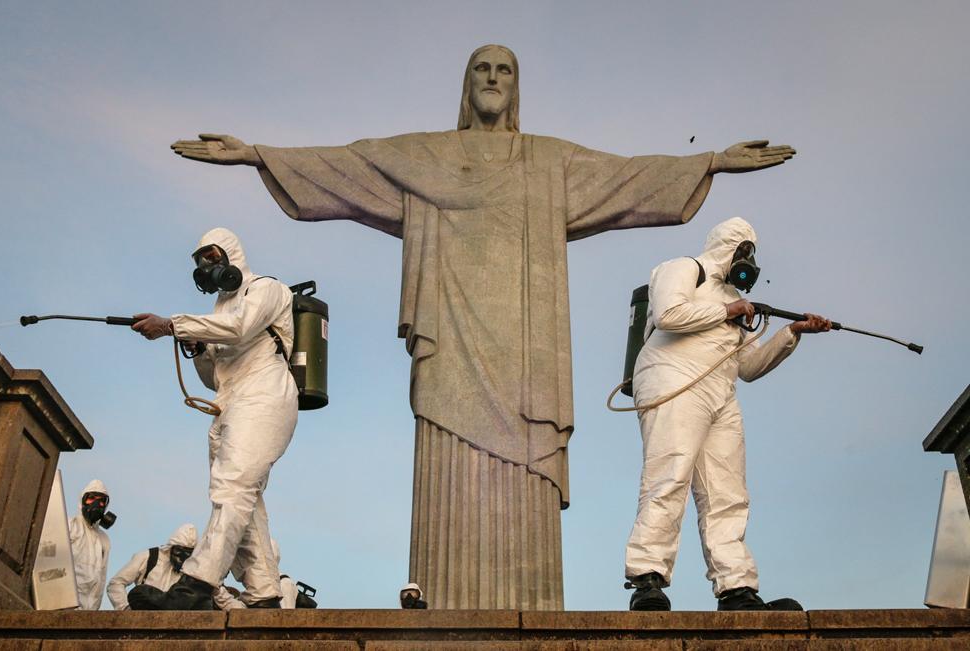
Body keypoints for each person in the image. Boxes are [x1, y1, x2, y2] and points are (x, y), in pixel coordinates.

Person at [170, 44, 796, 609]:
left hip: (528, 342)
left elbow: (628, 175)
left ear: (515, 87)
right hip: (449, 335)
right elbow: (350, 165)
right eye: (481, 70)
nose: (492, 79)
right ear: (466, 85)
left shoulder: (548, 162)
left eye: (504, 71)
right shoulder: (427, 156)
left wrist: (711, 163)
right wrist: (256, 154)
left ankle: (720, 582)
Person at [624, 217, 831, 611]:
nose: (748, 259)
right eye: (744, 249)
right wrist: (726, 309)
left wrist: (792, 334)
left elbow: (749, 367)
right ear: (728, 246)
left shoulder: (735, 300)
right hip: (673, 380)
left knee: (727, 492)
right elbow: (668, 314)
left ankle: (736, 587)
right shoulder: (684, 269)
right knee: (669, 475)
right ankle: (646, 577)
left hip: (721, 392)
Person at [132, 227, 298, 610]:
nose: (206, 265)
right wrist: (199, 347)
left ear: (231, 254)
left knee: (233, 487)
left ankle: (195, 585)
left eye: (211, 256)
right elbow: (211, 379)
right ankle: (264, 593)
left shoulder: (267, 289)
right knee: (244, 499)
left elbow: (241, 327)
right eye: (200, 261)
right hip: (229, 405)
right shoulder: (218, 312)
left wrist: (174, 324)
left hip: (266, 396)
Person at [106, 523, 197, 610]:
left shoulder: (192, 570)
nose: (181, 559)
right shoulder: (148, 557)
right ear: (171, 548)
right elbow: (116, 583)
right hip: (143, 619)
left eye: (188, 554)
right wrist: (125, 609)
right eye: (178, 552)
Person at [68, 479, 114, 610]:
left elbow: (101, 577)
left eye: (101, 500)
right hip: (65, 604)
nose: (96, 503)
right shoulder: (69, 525)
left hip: (88, 611)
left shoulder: (104, 539)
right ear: (82, 500)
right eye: (92, 498)